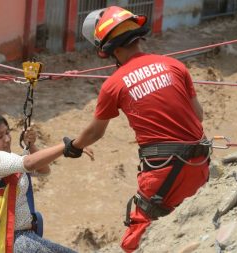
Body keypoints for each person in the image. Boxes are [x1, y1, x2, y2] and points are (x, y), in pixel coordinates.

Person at [62, 6, 211, 253]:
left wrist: (74, 147)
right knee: (191, 222)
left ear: (109, 50)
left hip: (163, 173)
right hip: (200, 164)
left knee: (134, 241)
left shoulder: (113, 84)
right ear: (140, 37)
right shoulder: (174, 65)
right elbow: (198, 115)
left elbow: (95, 133)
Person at [0, 113, 85, 253]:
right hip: (15, 241)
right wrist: (67, 145)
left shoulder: (6, 161)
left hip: (24, 238)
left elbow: (43, 171)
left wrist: (31, 146)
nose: (7, 139)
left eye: (7, 132)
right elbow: (29, 163)